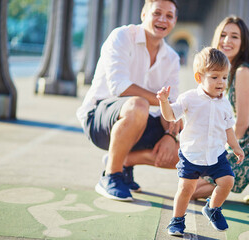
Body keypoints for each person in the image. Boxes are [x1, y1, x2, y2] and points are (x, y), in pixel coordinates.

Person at [76, 0, 182, 202]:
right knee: (138, 105)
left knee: (185, 150)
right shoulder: (122, 36)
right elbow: (119, 87)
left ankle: (123, 162)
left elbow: (173, 107)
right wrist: (162, 101)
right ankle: (111, 176)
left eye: (169, 16)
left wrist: (170, 135)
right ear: (144, 14)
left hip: (142, 122)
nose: (162, 19)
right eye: (157, 12)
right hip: (101, 118)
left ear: (175, 21)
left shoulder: (172, 58)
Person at [157, 47, 245, 235]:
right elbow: (171, 115)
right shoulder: (189, 98)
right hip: (191, 154)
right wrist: (164, 101)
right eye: (214, 77)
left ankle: (213, 208)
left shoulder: (225, 103)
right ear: (199, 78)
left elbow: (228, 128)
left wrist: (236, 147)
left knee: (228, 181)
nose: (220, 82)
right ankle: (177, 220)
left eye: (224, 77)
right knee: (186, 188)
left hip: (216, 154)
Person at [192, 16, 249, 205]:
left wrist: (219, 151)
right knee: (189, 178)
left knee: (192, 189)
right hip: (238, 135)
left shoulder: (242, 72)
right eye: (223, 35)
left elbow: (243, 123)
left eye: (234, 36)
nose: (227, 41)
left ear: (243, 44)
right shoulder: (226, 70)